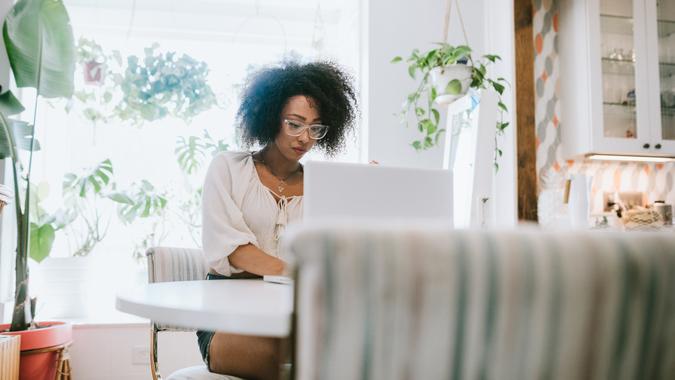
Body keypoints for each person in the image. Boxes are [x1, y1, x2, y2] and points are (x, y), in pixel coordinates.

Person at [197, 60, 358, 380]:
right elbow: (233, 250)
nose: (304, 137)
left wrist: (366, 193)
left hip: (296, 317)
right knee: (280, 356)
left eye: (316, 128)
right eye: (294, 124)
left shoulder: (324, 185)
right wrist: (297, 272)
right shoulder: (228, 168)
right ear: (270, 117)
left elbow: (341, 249)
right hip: (228, 318)